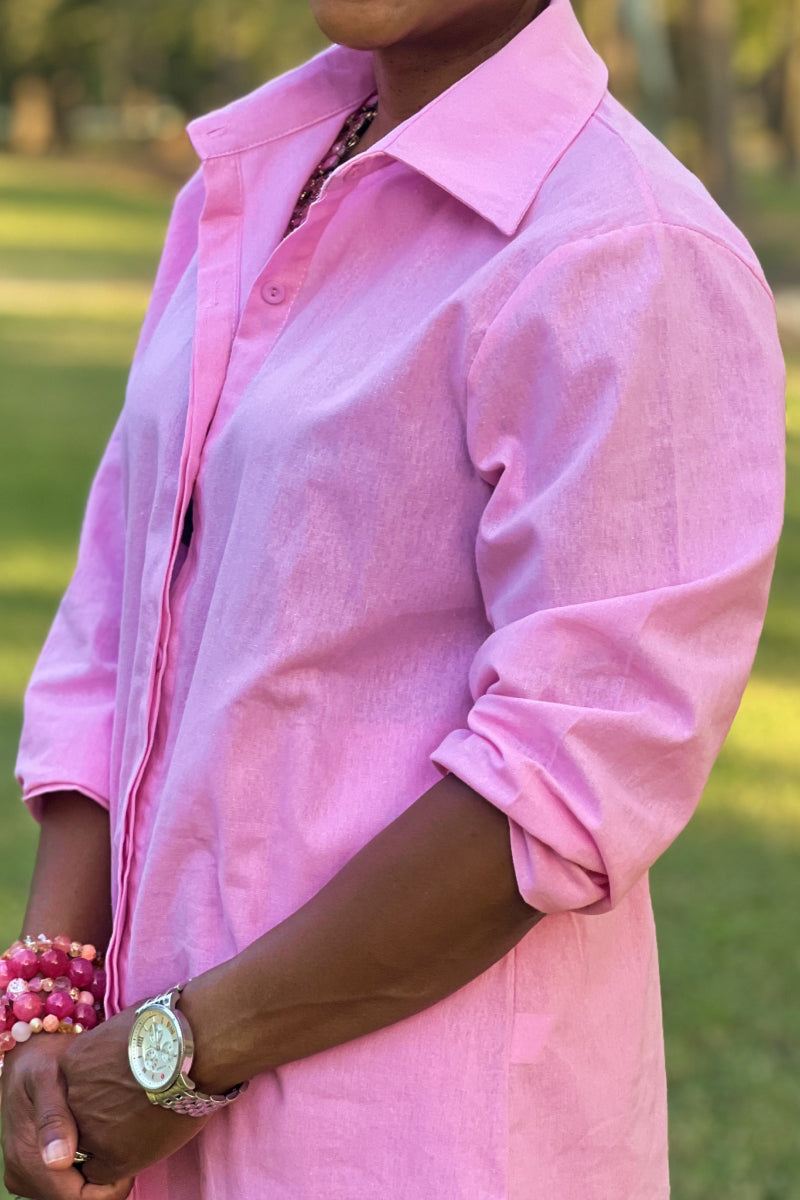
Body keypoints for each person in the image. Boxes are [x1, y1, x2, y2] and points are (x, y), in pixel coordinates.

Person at [1, 0, 786, 1196]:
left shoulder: (620, 249)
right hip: (134, 1114)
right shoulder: (247, 180)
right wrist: (50, 1004)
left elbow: (564, 782)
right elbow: (121, 599)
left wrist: (169, 1062)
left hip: (411, 1141)